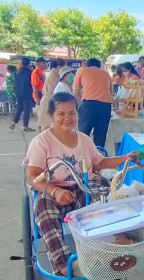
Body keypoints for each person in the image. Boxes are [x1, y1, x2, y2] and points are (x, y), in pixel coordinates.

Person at [24, 92, 129, 276]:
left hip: (82, 184)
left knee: (102, 199)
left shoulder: (85, 140)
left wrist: (128, 157)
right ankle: (64, 264)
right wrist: (56, 191)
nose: (67, 118)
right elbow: (32, 177)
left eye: (72, 113)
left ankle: (112, 246)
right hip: (52, 188)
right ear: (51, 115)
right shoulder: (41, 141)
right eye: (61, 114)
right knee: (43, 208)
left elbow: (99, 163)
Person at [73, 58, 112, 147]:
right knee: (100, 135)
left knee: (83, 133)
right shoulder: (106, 74)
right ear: (99, 66)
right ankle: (98, 156)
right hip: (105, 106)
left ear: (87, 65)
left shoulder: (82, 71)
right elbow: (110, 92)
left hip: (89, 105)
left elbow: (75, 92)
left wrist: (83, 101)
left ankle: (82, 157)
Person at [39, 59, 66, 132]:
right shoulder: (53, 75)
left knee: (49, 123)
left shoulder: (56, 74)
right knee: (46, 124)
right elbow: (53, 90)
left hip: (50, 99)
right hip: (48, 99)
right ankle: (42, 142)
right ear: (59, 66)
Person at [10, 57, 35, 132]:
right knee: (27, 109)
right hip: (27, 94)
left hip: (18, 93)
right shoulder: (30, 72)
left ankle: (14, 123)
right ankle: (25, 126)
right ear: (28, 64)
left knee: (20, 108)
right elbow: (32, 84)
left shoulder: (17, 72)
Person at [31, 57, 47, 132]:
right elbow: (34, 87)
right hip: (39, 95)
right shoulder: (35, 73)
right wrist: (37, 98)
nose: (46, 65)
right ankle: (40, 133)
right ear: (40, 64)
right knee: (40, 115)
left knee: (43, 114)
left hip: (43, 94)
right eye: (45, 63)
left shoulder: (42, 72)